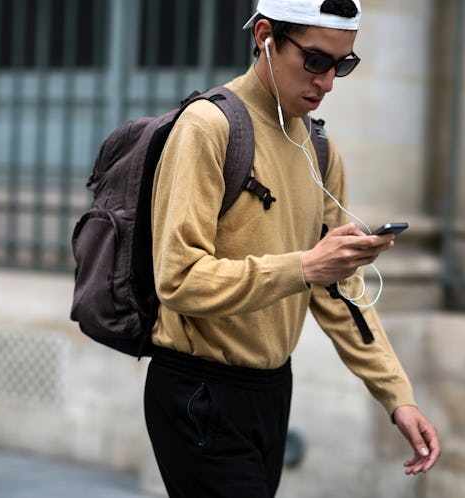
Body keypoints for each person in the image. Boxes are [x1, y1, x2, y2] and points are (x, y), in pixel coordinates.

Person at [143, 0, 441, 496]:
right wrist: (305, 266)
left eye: (342, 65)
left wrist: (397, 396)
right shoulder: (207, 128)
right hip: (197, 391)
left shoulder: (320, 150)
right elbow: (178, 279)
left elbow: (339, 290)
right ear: (265, 36)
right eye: (315, 61)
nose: (326, 82)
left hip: (272, 392)